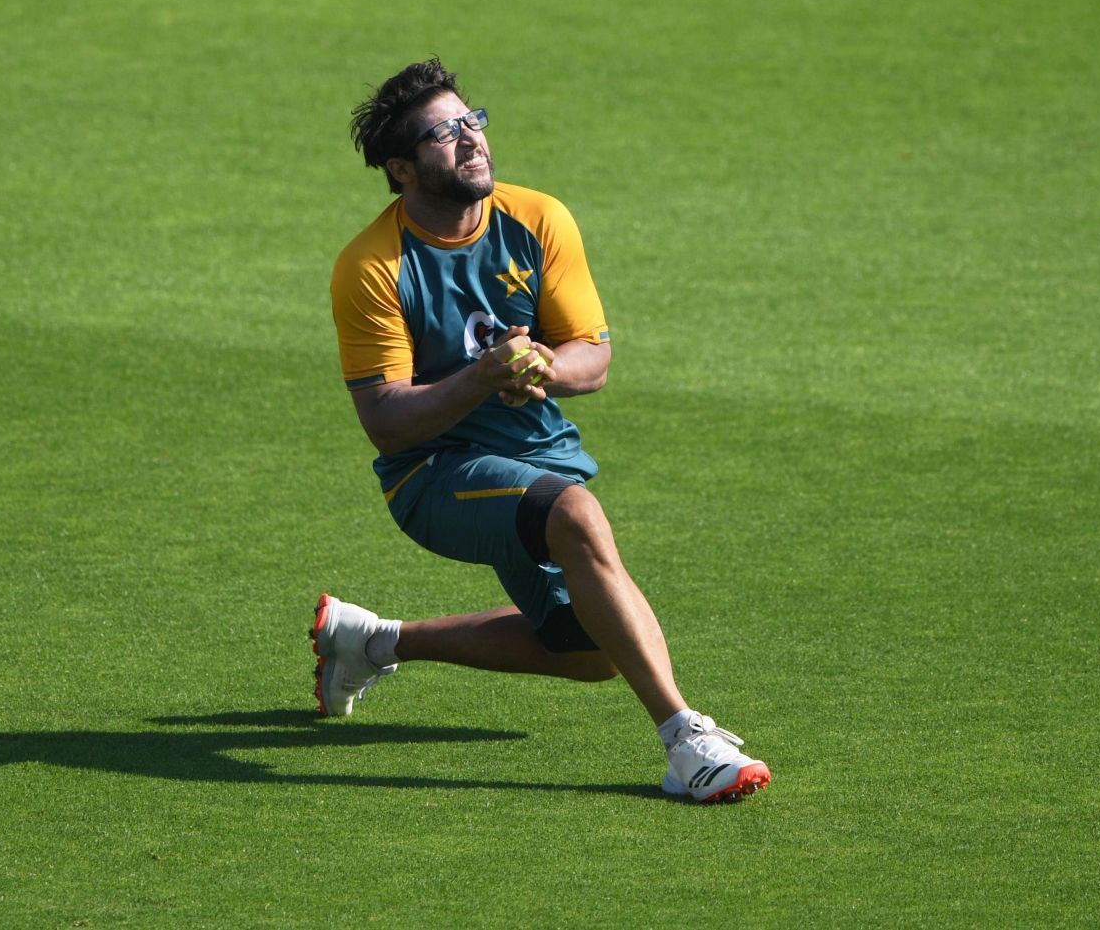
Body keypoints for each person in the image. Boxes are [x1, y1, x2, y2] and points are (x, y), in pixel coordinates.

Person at [318, 57, 771, 803]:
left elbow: (593, 358)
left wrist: (546, 371)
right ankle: (687, 740)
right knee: (575, 513)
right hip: (432, 474)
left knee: (589, 647)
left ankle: (373, 640)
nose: (471, 141)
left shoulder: (537, 218)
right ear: (401, 169)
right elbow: (386, 422)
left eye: (473, 121)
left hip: (537, 454)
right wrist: (481, 378)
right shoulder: (371, 266)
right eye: (443, 133)